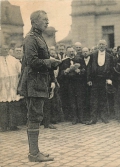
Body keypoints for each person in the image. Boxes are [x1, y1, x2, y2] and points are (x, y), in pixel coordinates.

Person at [17, 10, 61, 162]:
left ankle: (35, 151)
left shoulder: (39, 37)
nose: (47, 22)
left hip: (39, 83)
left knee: (36, 116)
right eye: (44, 19)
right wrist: (50, 61)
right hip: (33, 84)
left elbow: (41, 61)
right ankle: (34, 154)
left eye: (48, 19)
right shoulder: (30, 39)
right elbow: (33, 62)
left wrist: (51, 72)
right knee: (35, 117)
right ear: (34, 22)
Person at [86, 40, 114, 125]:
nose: (101, 46)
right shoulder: (93, 55)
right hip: (95, 80)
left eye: (103, 44)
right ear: (98, 46)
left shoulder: (110, 56)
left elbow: (112, 69)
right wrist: (89, 79)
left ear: (106, 46)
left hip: (104, 80)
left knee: (104, 99)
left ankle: (104, 117)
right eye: (100, 44)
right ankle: (93, 118)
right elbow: (89, 68)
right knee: (94, 100)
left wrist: (110, 78)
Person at [58, 47, 87, 124]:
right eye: (70, 52)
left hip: (78, 83)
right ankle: (74, 118)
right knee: (72, 101)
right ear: (66, 53)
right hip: (69, 84)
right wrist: (65, 71)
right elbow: (60, 74)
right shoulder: (63, 62)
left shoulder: (79, 59)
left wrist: (79, 71)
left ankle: (81, 118)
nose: (71, 53)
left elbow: (85, 69)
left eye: (72, 51)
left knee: (80, 100)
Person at [0, 45, 22, 131]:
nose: (5, 51)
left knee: (13, 105)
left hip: (13, 86)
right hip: (2, 87)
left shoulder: (14, 60)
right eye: (3, 49)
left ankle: (13, 125)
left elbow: (20, 72)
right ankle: (3, 126)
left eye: (6, 49)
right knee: (3, 106)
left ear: (9, 50)